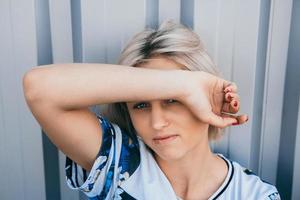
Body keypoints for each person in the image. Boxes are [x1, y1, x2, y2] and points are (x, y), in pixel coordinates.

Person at [23, 20, 280, 200]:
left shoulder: (253, 195)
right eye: (141, 105)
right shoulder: (121, 166)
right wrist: (179, 85)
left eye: (172, 100)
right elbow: (38, 89)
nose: (157, 123)